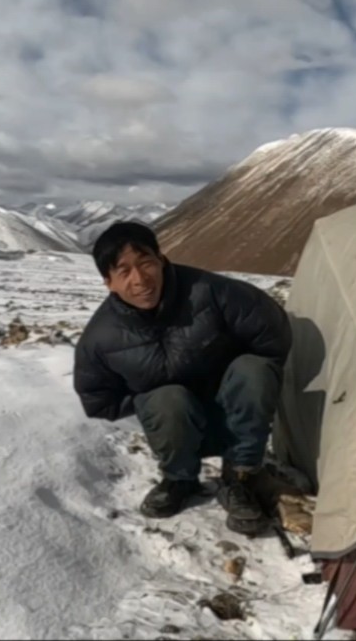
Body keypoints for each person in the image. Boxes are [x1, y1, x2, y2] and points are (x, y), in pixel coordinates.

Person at [72, 221, 293, 535]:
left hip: (231, 409)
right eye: (124, 272)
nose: (140, 280)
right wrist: (151, 405)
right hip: (174, 422)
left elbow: (273, 336)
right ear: (108, 282)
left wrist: (246, 387)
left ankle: (241, 477)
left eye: (146, 263)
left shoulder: (214, 292)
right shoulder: (101, 338)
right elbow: (98, 399)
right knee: (166, 398)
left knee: (254, 371)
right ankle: (179, 479)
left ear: (161, 261)